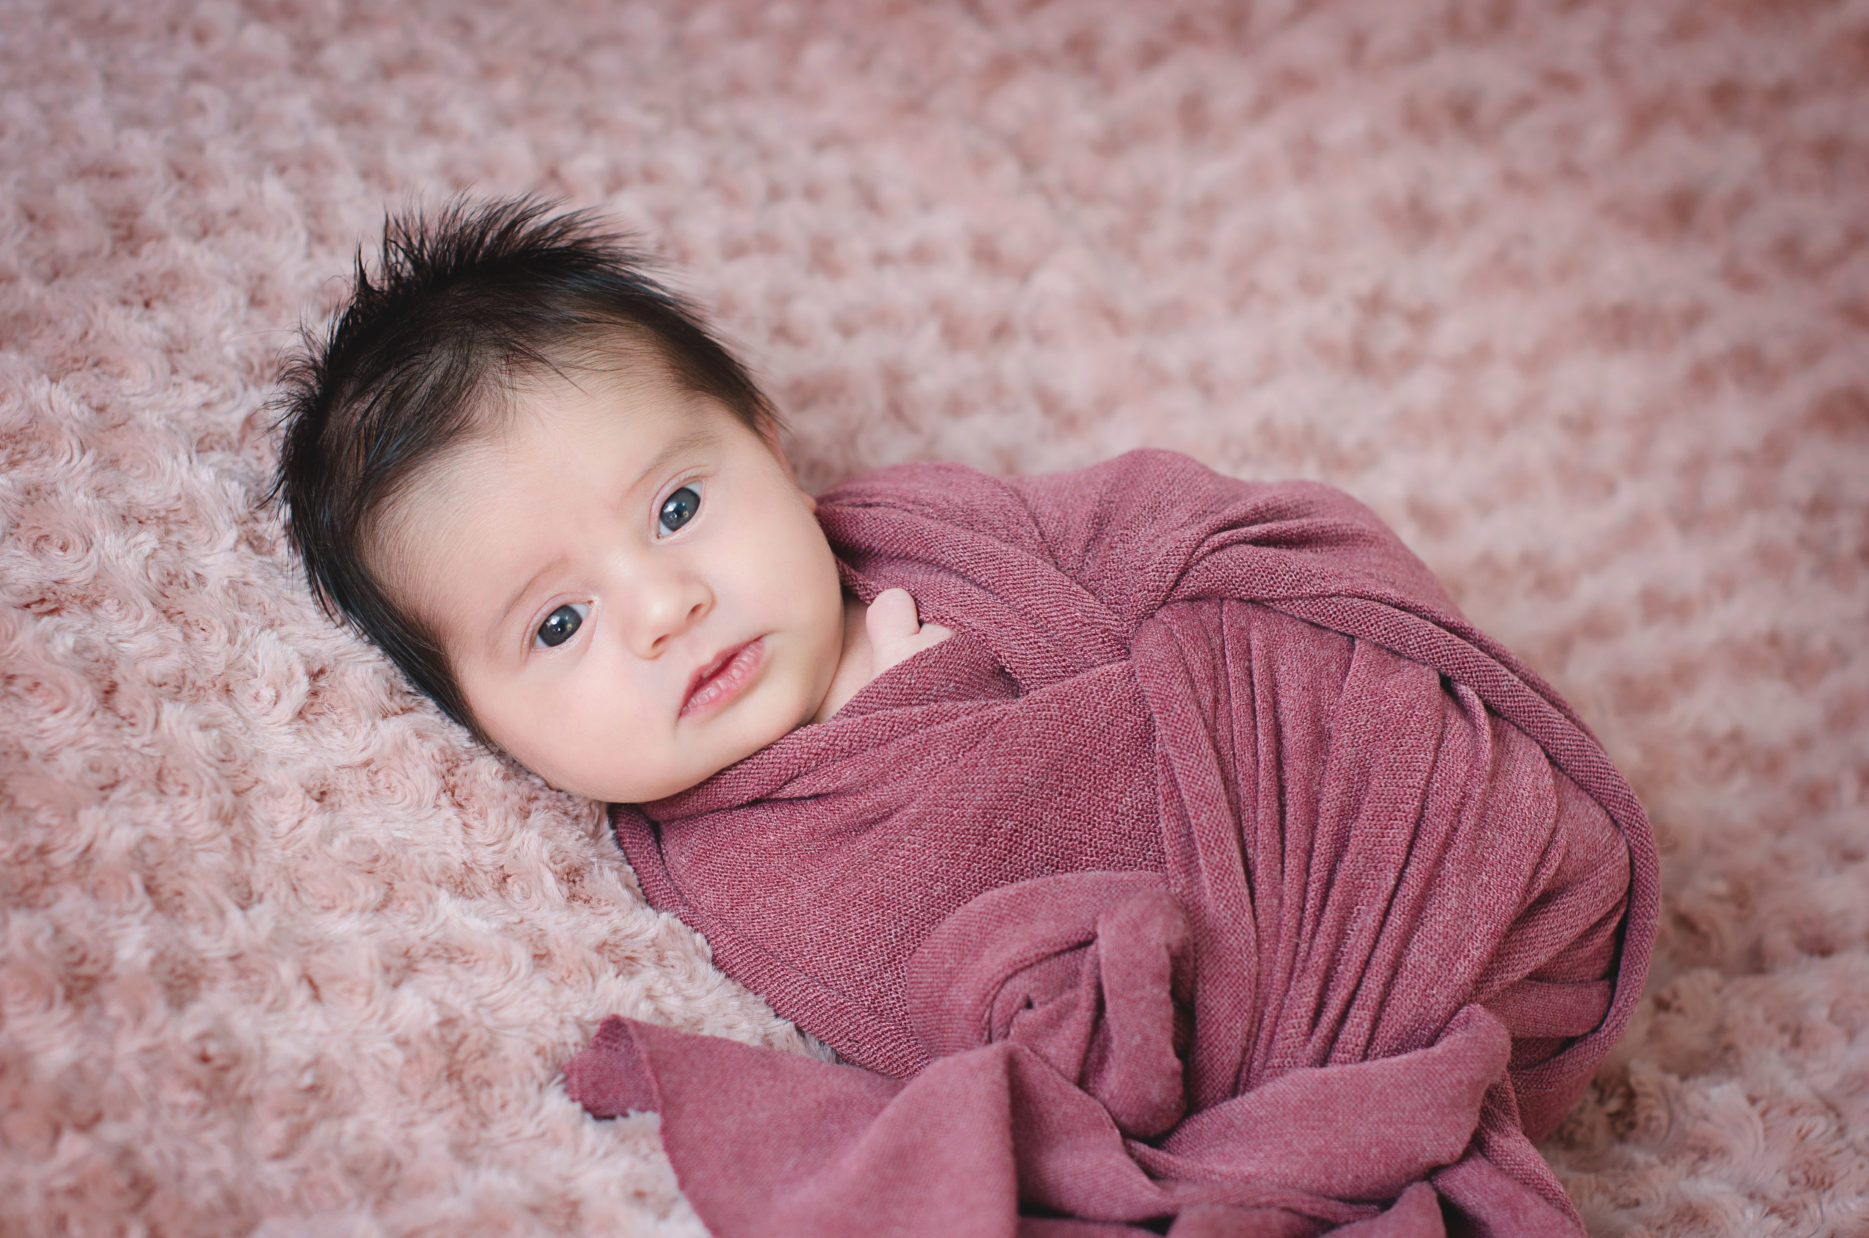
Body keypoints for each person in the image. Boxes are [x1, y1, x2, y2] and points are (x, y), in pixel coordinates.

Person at [273, 196, 1655, 1238]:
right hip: (1335, 1000)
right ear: (476, 720)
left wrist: (1248, 635)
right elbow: (1062, 1050)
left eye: (677, 508)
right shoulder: (737, 864)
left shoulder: (922, 523)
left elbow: (1202, 532)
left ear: (765, 436)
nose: (662, 607)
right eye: (556, 624)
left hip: (1442, 819)